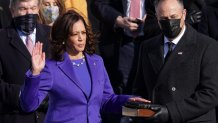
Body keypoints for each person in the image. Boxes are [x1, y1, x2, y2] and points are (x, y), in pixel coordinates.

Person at [19, 10, 149, 123]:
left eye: (83, 32)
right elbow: (28, 106)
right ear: (64, 38)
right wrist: (35, 73)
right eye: (75, 34)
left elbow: (107, 101)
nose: (81, 38)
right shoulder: (51, 67)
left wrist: (132, 105)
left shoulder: (96, 62)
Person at [132, 0, 218, 123]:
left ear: (184, 14)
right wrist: (137, 113)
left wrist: (170, 112)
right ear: (157, 19)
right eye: (164, 18)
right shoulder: (147, 47)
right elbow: (140, 89)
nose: (170, 22)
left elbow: (211, 94)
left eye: (174, 17)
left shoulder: (207, 46)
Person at [0, 0, 51, 123]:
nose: (29, 13)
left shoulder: (51, 35)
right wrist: (23, 95)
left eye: (33, 8)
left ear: (38, 9)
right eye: (23, 9)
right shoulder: (1, 39)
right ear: (12, 11)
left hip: (49, 116)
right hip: (15, 117)